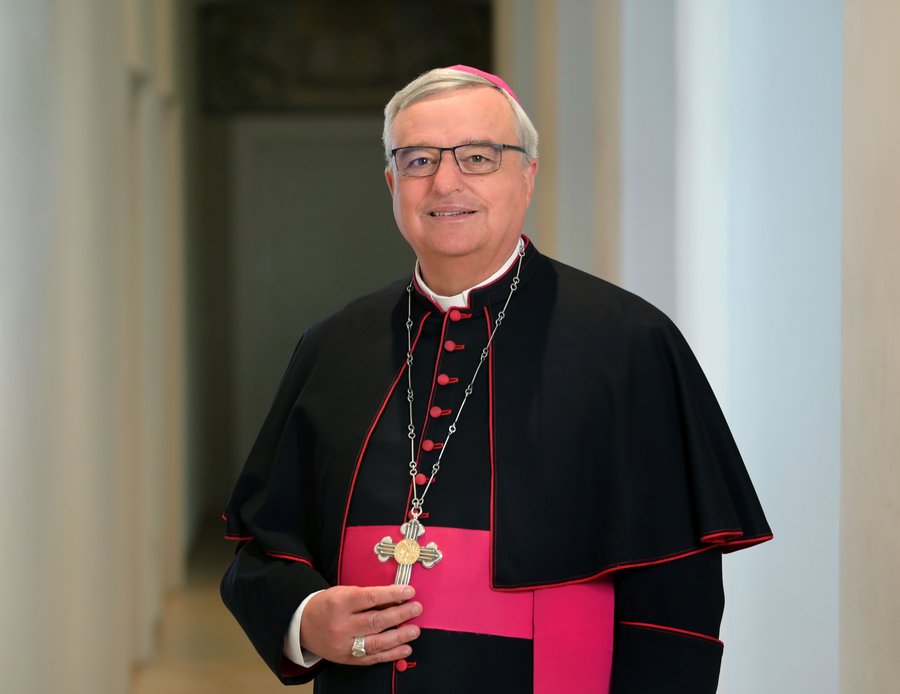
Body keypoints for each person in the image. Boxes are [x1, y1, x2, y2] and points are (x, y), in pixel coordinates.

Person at [221, 65, 772, 693]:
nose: (445, 182)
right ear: (392, 183)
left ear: (528, 175)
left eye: (478, 157)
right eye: (419, 160)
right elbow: (262, 549)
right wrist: (304, 619)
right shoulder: (333, 345)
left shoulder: (631, 345)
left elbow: (676, 604)